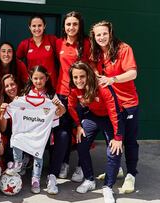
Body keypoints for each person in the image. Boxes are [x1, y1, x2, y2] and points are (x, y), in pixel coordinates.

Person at [90, 20, 139, 194]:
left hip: (128, 104)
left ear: (110, 33)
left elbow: (133, 73)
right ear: (94, 37)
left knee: (129, 142)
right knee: (113, 140)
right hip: (109, 105)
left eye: (104, 33)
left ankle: (131, 174)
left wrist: (113, 79)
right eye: (98, 35)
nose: (101, 37)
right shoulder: (96, 53)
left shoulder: (124, 49)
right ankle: (117, 169)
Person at [67, 61, 124, 202]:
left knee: (114, 150)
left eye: (82, 76)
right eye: (75, 77)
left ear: (88, 76)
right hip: (93, 117)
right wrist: (79, 125)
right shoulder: (74, 88)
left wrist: (117, 137)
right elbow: (71, 106)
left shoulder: (101, 87)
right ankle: (89, 180)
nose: (79, 80)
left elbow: (114, 111)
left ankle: (108, 187)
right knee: (81, 143)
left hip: (111, 118)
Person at [3, 66, 65, 194]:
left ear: (46, 78)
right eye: (35, 78)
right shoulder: (25, 95)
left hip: (42, 134)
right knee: (17, 138)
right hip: (27, 132)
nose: (38, 81)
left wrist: (58, 106)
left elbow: (61, 112)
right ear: (31, 78)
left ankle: (35, 178)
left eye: (41, 78)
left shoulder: (51, 97)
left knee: (38, 149)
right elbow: (17, 111)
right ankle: (18, 163)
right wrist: (14, 104)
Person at [54, 11, 91, 182]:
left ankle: (81, 166)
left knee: (81, 131)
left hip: (81, 95)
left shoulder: (86, 43)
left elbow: (92, 68)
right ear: (64, 26)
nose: (71, 27)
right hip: (62, 93)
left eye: (74, 24)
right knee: (64, 131)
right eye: (68, 24)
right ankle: (64, 162)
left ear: (79, 25)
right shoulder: (58, 42)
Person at [16, 14, 58, 87]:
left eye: (39, 25)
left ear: (44, 26)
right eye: (34, 26)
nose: (37, 28)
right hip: (33, 85)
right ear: (29, 27)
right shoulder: (25, 44)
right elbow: (15, 61)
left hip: (51, 85)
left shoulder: (52, 40)